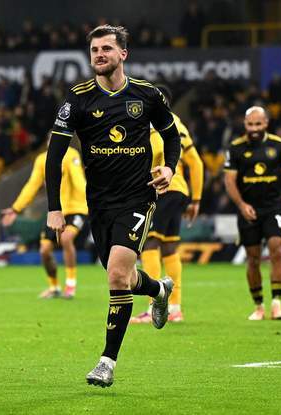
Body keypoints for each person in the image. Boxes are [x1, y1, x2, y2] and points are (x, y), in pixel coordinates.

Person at [45, 25, 181, 387]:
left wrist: (169, 168)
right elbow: (54, 156)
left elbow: (171, 136)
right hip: (99, 204)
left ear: (123, 54)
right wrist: (54, 208)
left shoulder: (147, 95)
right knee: (123, 277)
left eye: (106, 48)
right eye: (94, 50)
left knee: (117, 276)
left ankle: (106, 362)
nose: (99, 55)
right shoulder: (77, 99)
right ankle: (159, 290)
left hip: (138, 197)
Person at [131, 85, 204, 324]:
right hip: (179, 190)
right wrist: (196, 198)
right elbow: (196, 162)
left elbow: (153, 155)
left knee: (149, 242)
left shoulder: (156, 124)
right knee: (170, 247)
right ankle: (175, 308)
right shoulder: (179, 125)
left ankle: (153, 305)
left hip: (163, 188)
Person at [224, 106, 281, 321]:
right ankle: (258, 306)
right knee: (253, 258)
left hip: (273, 207)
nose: (254, 128)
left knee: (277, 250)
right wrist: (241, 205)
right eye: (250, 124)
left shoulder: (279, 146)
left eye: (258, 124)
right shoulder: (235, 148)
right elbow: (229, 181)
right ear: (245, 124)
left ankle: (277, 303)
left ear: (266, 123)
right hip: (248, 210)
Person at [2, 140, 87, 300]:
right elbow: (32, 185)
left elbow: (78, 180)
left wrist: (92, 199)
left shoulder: (71, 155)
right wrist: (16, 208)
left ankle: (70, 285)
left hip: (76, 207)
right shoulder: (42, 160)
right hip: (56, 211)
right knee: (44, 250)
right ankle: (54, 287)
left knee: (66, 238)